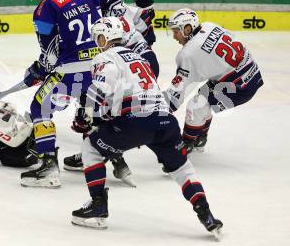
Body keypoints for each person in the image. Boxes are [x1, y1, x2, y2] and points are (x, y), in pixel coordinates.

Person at [70, 17, 223, 237]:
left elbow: (103, 85)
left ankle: (98, 207)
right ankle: (206, 214)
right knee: (183, 170)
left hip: (135, 122)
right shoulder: (138, 57)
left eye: (98, 38)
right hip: (165, 121)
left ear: (104, 39)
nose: (97, 43)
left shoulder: (105, 57)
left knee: (90, 146)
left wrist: (84, 116)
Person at [60, 0, 159, 183]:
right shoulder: (96, 1)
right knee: (101, 105)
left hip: (131, 58)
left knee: (98, 103)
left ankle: (108, 154)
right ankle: (105, 151)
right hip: (138, 56)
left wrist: (147, 7)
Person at [19, 0, 106, 188]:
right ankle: (94, 159)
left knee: (40, 108)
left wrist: (37, 70)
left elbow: (49, 56)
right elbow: (111, 0)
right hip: (100, 68)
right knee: (90, 112)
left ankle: (48, 167)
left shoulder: (44, 8)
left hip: (71, 71)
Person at [165, 8, 264, 152]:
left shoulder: (189, 54)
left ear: (187, 29)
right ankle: (200, 137)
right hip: (251, 71)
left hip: (240, 86)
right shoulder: (208, 25)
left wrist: (156, 113)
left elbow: (178, 93)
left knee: (196, 105)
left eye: (176, 31)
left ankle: (186, 145)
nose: (174, 36)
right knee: (204, 96)